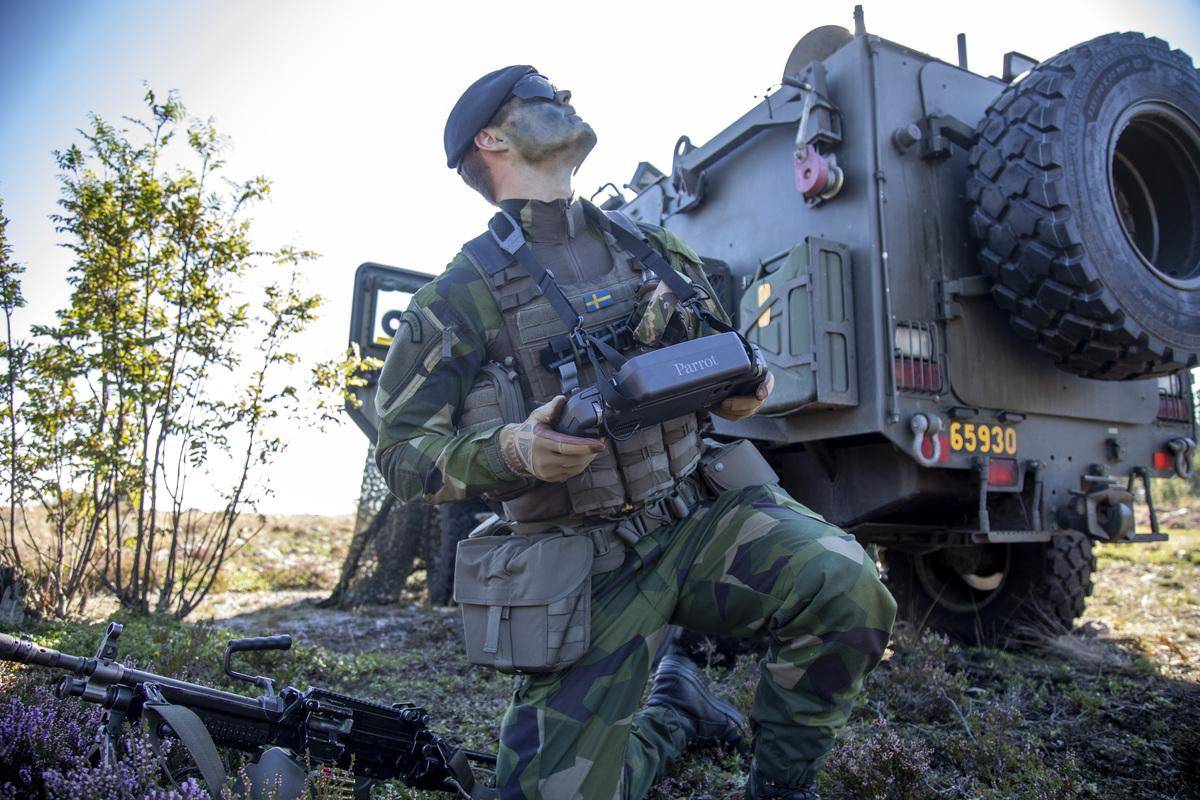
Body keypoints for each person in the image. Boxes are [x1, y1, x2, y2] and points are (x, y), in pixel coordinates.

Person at [374, 65, 896, 800]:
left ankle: (780, 787)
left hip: (700, 515)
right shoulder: (457, 297)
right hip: (585, 563)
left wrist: (749, 389)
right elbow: (400, 455)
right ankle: (674, 715)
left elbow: (728, 356)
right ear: (490, 138)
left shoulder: (654, 249)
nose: (567, 98)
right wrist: (513, 450)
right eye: (542, 92)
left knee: (848, 586)